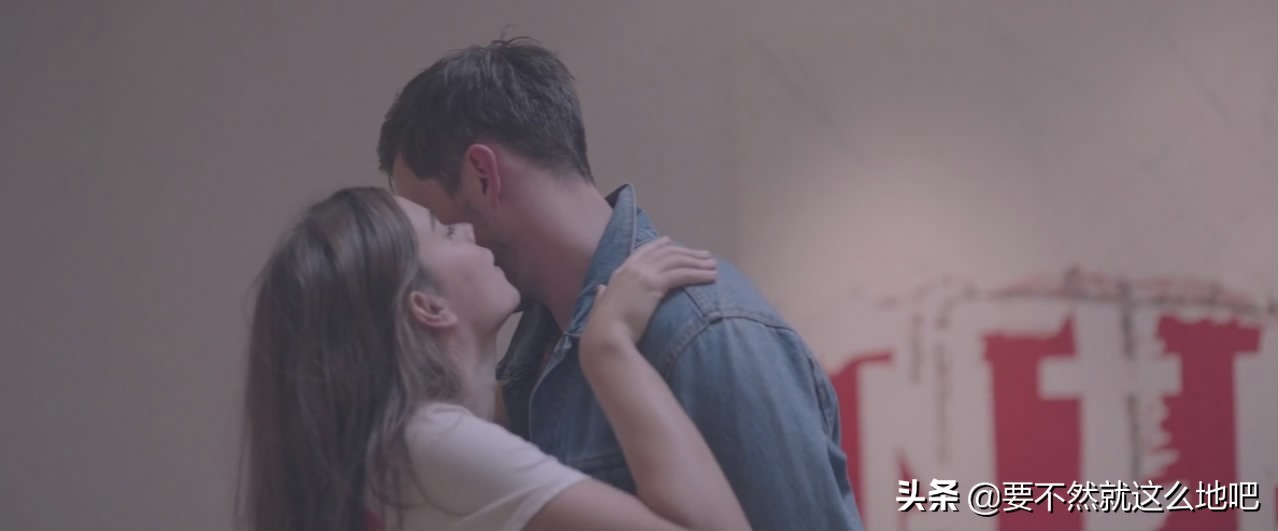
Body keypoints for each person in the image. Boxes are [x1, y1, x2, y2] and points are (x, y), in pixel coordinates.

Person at [377, 37, 864, 531]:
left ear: (482, 175)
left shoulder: (701, 328)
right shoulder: (533, 349)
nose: (431, 254)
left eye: (435, 219)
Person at [237, 187, 750, 530]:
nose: (467, 229)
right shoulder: (427, 443)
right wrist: (608, 347)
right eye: (445, 231)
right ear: (429, 306)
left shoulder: (398, 449)